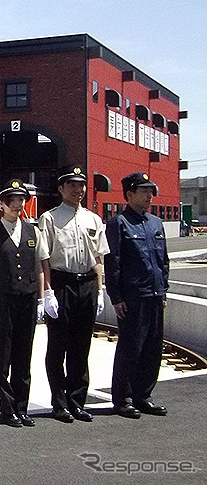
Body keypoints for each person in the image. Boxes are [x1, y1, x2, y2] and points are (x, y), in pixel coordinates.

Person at [38, 165, 110, 423]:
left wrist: (100, 289)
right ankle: (59, 403)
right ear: (60, 188)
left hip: (88, 284)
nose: (77, 190)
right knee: (58, 347)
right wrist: (47, 292)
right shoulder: (50, 218)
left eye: (81, 185)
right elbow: (44, 258)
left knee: (82, 346)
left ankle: (77, 401)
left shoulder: (94, 219)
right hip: (62, 283)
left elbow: (99, 257)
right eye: (71, 185)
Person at [105, 172, 169, 419]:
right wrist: (116, 296)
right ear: (129, 194)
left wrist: (163, 289)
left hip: (154, 294)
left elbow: (163, 260)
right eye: (143, 191)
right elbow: (114, 263)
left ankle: (144, 396)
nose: (149, 195)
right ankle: (123, 399)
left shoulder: (155, 222)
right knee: (131, 347)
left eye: (150, 191)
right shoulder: (119, 223)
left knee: (153, 347)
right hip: (133, 296)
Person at [0, 179, 49, 428]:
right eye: (12, 200)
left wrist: (43, 297)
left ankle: (22, 407)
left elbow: (40, 265)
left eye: (21, 200)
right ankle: (7, 407)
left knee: (24, 355)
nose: (17, 205)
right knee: (3, 355)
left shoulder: (33, 231)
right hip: (3, 298)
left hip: (27, 297)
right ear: (1, 203)